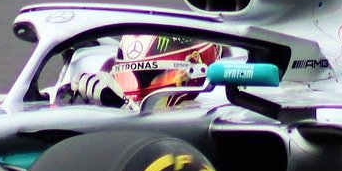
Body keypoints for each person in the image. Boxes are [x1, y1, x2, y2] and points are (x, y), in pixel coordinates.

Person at [56, 34, 228, 109]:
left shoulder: (222, 103)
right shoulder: (108, 88)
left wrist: (124, 107)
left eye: (152, 76)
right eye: (128, 76)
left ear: (194, 67)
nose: (135, 93)